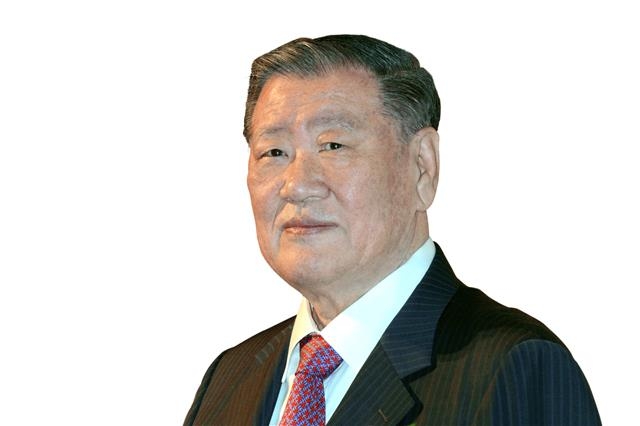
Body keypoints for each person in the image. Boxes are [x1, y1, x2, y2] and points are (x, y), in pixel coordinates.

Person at [184, 34, 600, 425]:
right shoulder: (230, 377)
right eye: (274, 152)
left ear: (422, 167)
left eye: (333, 145)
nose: (296, 185)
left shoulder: (516, 367)